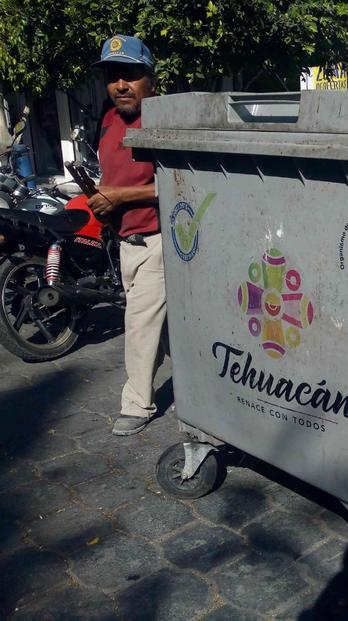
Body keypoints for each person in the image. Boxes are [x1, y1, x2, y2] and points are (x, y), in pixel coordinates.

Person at [87, 35, 166, 435]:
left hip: (160, 241)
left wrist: (119, 196)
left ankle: (136, 404)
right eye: (114, 76)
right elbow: (111, 175)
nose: (121, 85)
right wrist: (103, 198)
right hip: (125, 242)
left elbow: (180, 185)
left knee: (139, 324)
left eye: (130, 76)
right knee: (161, 326)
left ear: (149, 80)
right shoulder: (107, 120)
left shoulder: (162, 120)